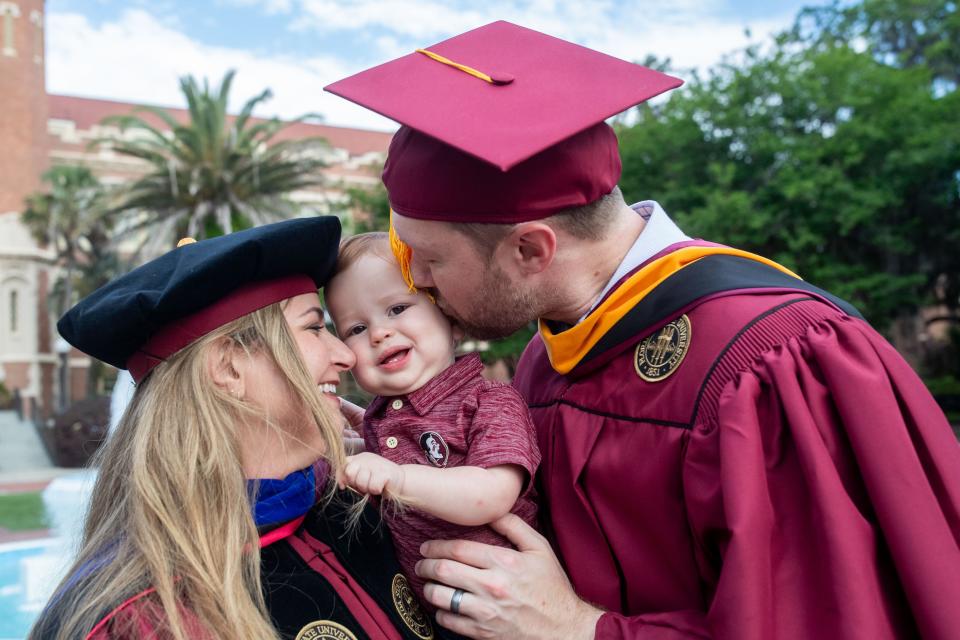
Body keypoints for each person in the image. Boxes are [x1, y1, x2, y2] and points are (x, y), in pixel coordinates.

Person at [324, 20, 960, 640]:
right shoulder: (546, 359)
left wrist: (581, 628)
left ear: (530, 251)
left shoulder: (772, 359)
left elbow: (840, 620)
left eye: (429, 261)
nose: (423, 284)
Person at [30, 218, 441, 640]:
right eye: (315, 327)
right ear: (228, 367)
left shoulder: (356, 508)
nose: (346, 355)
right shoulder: (141, 620)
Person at [325, 232, 539, 605]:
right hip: (425, 608)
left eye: (396, 309)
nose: (379, 332)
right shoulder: (382, 415)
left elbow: (489, 494)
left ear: (450, 316)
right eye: (356, 329)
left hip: (497, 602)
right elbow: (391, 459)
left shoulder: (489, 400)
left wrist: (396, 477)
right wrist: (346, 448)